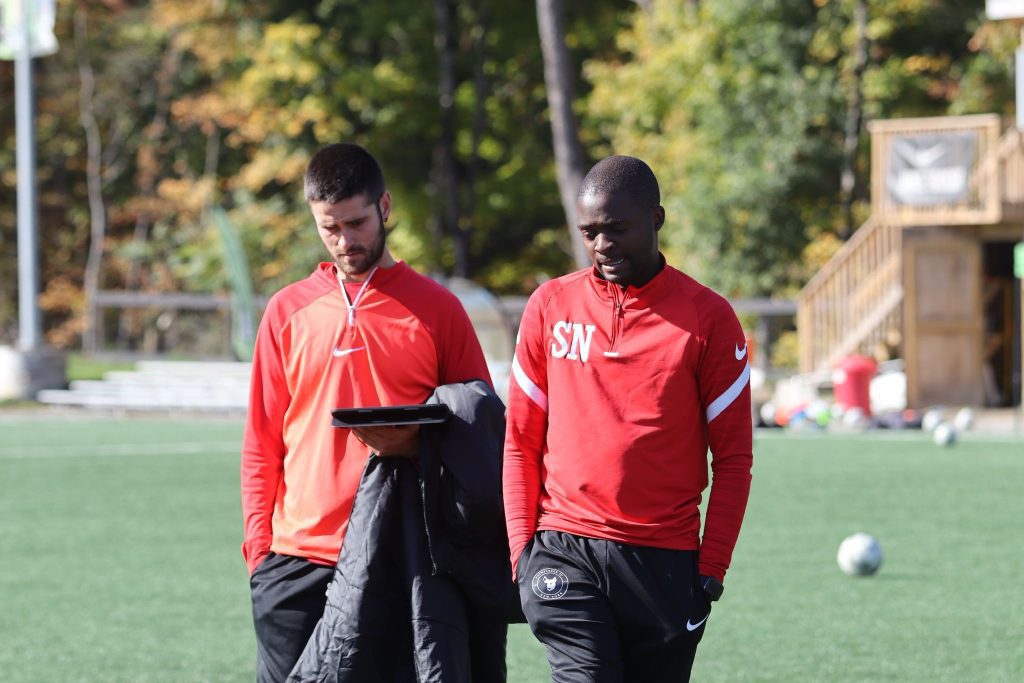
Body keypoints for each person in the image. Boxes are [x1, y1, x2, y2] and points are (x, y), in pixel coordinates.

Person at [241, 142, 494, 682]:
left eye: (355, 223)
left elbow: (479, 430)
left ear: (385, 207)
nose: (343, 240)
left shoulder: (438, 309)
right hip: (298, 557)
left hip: (402, 556)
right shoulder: (286, 310)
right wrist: (259, 554)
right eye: (328, 227)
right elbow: (262, 440)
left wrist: (417, 444)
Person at [503, 155, 753, 682]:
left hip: (664, 562)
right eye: (590, 232)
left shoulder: (709, 319)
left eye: (618, 228)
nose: (602, 245)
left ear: (656, 219)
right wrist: (521, 553)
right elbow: (520, 442)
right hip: (563, 547)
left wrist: (710, 572)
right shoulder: (550, 305)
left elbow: (733, 460)